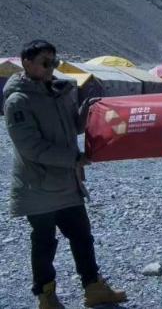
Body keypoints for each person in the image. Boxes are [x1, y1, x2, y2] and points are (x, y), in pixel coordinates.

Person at [3, 40, 127, 309]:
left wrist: (89, 110)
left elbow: (74, 126)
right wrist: (75, 159)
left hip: (67, 184)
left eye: (55, 62)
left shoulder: (58, 93)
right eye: (46, 63)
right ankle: (46, 295)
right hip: (38, 188)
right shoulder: (18, 101)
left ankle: (94, 287)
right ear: (27, 64)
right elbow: (32, 147)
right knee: (45, 243)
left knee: (83, 237)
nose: (52, 67)